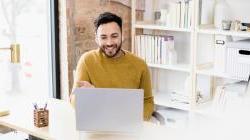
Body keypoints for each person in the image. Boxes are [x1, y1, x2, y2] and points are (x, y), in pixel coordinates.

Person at [70, 12, 154, 121]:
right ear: (96, 39)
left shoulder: (140, 65)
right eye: (103, 37)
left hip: (128, 125)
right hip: (97, 122)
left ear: (122, 36)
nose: (109, 43)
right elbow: (73, 100)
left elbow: (147, 102)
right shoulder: (86, 61)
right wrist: (89, 96)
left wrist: (137, 120)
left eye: (114, 36)